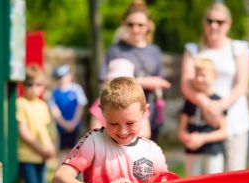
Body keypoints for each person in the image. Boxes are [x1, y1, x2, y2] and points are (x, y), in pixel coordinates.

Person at [180, 2, 249, 183]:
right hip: (201, 121)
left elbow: (241, 84)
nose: (214, 26)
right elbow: (187, 85)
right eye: (210, 20)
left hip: (234, 122)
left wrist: (220, 106)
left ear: (228, 24)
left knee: (235, 177)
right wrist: (205, 105)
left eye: (220, 21)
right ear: (204, 22)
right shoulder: (193, 49)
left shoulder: (239, 48)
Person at [100, 0, 171, 142]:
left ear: (148, 26)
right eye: (131, 24)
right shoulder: (116, 50)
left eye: (140, 25)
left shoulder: (154, 51)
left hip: (150, 113)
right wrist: (144, 82)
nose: (135, 29)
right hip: (123, 119)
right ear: (124, 24)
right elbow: (106, 84)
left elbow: (161, 82)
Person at [178, 58, 226, 183]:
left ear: (213, 77)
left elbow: (224, 130)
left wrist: (203, 137)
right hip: (192, 154)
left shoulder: (218, 100)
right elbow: (181, 130)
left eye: (203, 74)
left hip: (213, 151)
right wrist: (188, 138)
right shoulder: (189, 102)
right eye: (196, 74)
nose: (199, 78)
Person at [17, 64, 56, 183]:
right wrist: (42, 150)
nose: (34, 88)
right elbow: (23, 133)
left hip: (42, 156)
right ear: (22, 86)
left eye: (38, 84)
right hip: (27, 156)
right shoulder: (20, 103)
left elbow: (45, 131)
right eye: (29, 84)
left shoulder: (42, 105)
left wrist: (51, 148)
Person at [90, 58, 151, 139]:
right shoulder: (101, 101)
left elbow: (146, 132)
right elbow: (94, 130)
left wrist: (128, 139)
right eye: (114, 123)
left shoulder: (137, 102)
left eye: (130, 123)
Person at [50, 64, 88, 163]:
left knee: (77, 150)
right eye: (59, 77)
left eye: (63, 76)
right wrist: (64, 124)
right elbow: (54, 110)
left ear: (69, 76)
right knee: (62, 151)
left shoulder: (76, 89)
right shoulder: (55, 92)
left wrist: (74, 123)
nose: (62, 79)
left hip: (76, 126)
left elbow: (80, 106)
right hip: (61, 128)